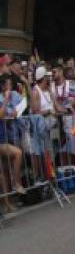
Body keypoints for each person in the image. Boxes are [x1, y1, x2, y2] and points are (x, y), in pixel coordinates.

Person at [0, 76, 26, 211]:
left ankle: (8, 204)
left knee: (3, 173)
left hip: (4, 139)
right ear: (3, 86)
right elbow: (1, 114)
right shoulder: (2, 98)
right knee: (18, 153)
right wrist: (6, 98)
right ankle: (16, 183)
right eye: (8, 85)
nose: (10, 88)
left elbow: (7, 115)